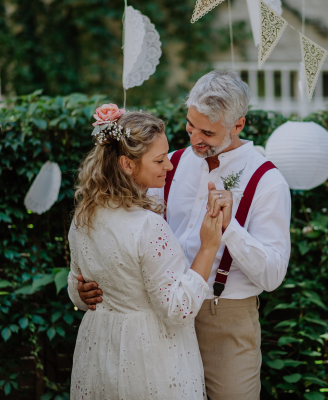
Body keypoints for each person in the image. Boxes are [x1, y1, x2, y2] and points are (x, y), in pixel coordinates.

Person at [75, 70, 292, 399]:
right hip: (157, 321)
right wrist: (83, 285)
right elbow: (122, 231)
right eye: (191, 125)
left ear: (238, 125)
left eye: (208, 131)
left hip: (223, 317)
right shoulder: (167, 163)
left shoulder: (266, 181)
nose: (194, 139)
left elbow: (273, 275)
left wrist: (228, 228)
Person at [66, 105, 223, 399]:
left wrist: (79, 291)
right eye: (160, 159)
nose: (169, 166)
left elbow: (77, 288)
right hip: (148, 355)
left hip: (100, 351)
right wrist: (209, 247)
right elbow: (177, 310)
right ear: (127, 164)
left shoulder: (83, 217)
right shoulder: (148, 226)